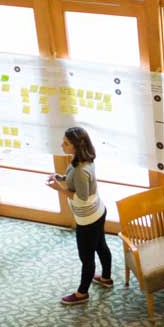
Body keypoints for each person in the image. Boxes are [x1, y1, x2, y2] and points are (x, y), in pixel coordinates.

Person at [46, 126, 113, 306]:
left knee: (86, 257)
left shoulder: (80, 169)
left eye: (66, 143)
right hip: (98, 210)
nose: (62, 145)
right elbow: (77, 183)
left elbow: (81, 196)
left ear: (76, 146)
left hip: (88, 218)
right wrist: (61, 178)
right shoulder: (83, 160)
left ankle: (82, 293)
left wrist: (59, 189)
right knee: (100, 245)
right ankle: (106, 278)